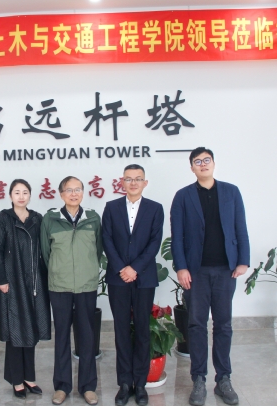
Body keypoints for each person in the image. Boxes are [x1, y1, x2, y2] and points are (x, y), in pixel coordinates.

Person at [170, 147, 249, 406]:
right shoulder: (183, 196)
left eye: (207, 160)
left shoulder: (231, 192)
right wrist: (181, 267)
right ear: (191, 167)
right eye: (197, 161)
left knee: (224, 325)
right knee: (196, 325)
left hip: (226, 269)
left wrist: (243, 260)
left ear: (213, 163)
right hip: (196, 272)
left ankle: (223, 378)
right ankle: (199, 379)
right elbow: (177, 235)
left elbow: (240, 227)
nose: (203, 164)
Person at [102, 164, 164, 406]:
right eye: (129, 179)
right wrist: (122, 268)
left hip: (144, 277)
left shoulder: (155, 208)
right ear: (122, 182)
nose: (134, 183)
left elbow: (154, 242)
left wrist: (135, 268)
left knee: (142, 330)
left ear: (145, 183)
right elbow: (107, 239)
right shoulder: (111, 207)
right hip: (118, 278)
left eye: (138, 179)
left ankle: (140, 384)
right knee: (120, 331)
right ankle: (124, 383)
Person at [40, 176, 103, 406]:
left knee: (87, 336)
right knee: (62, 336)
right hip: (60, 285)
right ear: (61, 194)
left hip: (86, 285)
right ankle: (62, 386)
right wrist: (58, 271)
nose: (74, 194)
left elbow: (97, 251)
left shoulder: (93, 219)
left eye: (78, 189)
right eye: (69, 190)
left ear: (83, 193)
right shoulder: (50, 219)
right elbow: (46, 253)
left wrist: (88, 271)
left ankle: (88, 386)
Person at [0, 179, 51, 399]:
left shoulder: (37, 218)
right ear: (10, 196)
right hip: (13, 280)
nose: (21, 196)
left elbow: (44, 249)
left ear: (30, 195)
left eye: (25, 192)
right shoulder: (4, 218)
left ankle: (29, 377)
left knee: (32, 328)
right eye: (17, 192)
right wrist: (2, 279)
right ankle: (17, 379)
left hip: (35, 282)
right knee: (16, 329)